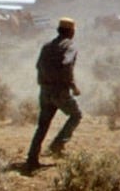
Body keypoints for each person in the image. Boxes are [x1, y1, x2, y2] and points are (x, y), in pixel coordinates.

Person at [24, 17, 82, 171]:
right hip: (59, 90)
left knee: (42, 125)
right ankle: (58, 144)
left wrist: (44, 82)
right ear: (71, 32)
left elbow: (38, 65)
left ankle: (32, 157)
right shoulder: (69, 47)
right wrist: (73, 86)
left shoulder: (47, 46)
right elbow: (66, 65)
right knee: (76, 115)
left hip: (45, 90)